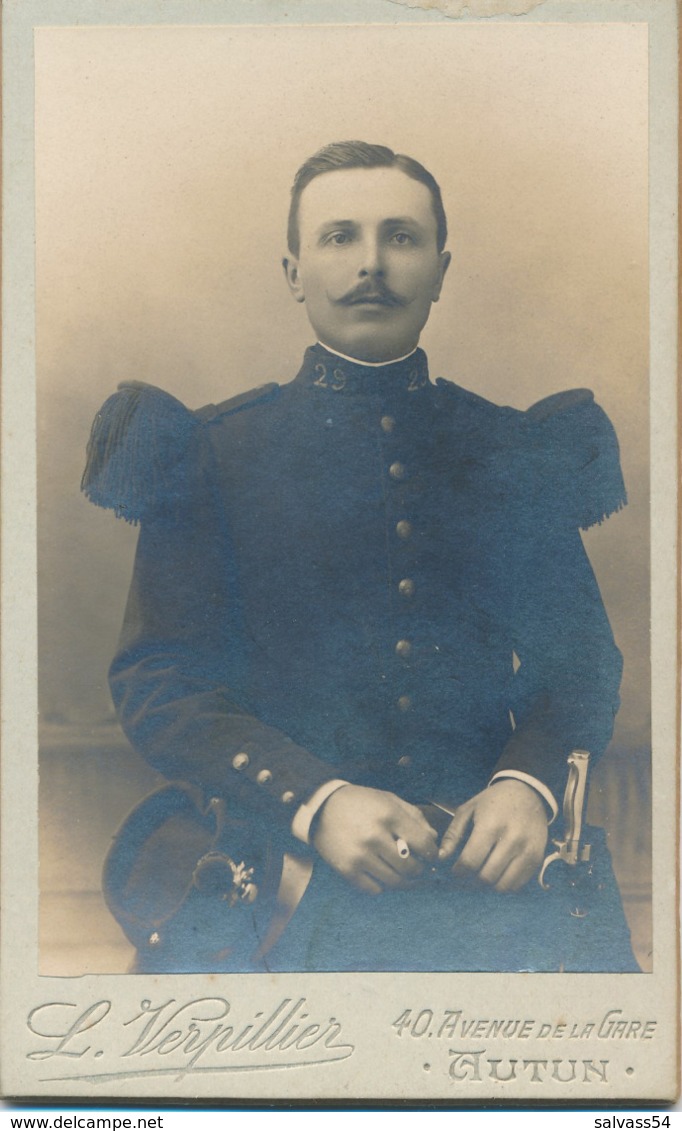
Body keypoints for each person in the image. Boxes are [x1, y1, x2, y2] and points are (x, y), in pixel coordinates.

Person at [82, 140, 638, 973]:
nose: (370, 264)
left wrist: (529, 786)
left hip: (484, 864)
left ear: (442, 269)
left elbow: (581, 662)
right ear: (294, 270)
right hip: (278, 869)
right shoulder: (213, 452)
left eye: (401, 238)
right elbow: (162, 680)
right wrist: (315, 801)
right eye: (339, 237)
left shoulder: (510, 451)